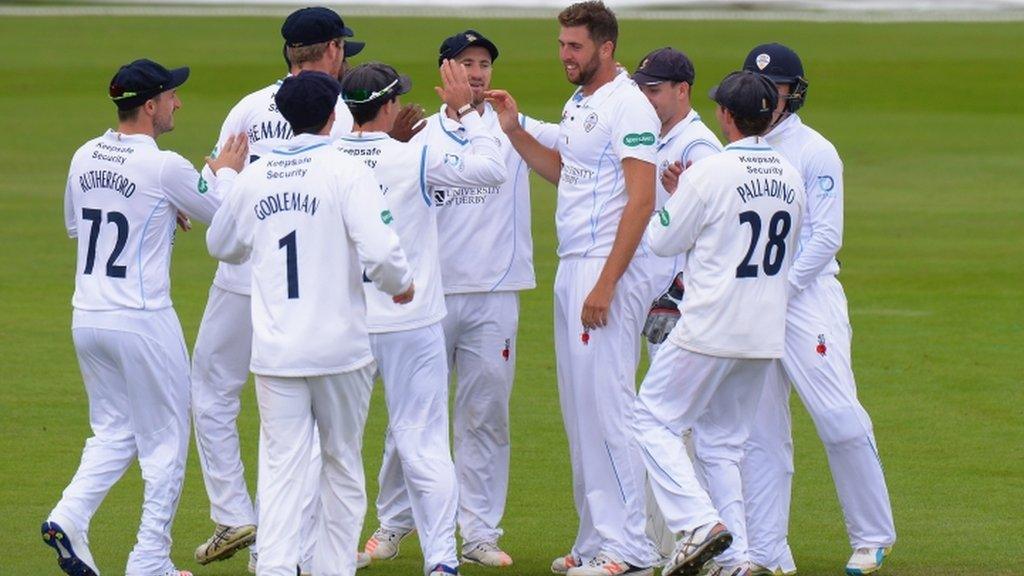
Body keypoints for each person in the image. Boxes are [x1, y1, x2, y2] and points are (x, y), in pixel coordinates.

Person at [42, 58, 246, 576]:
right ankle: (149, 560)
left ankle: (69, 515)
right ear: (151, 105)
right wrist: (221, 172)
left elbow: (78, 226)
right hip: (143, 319)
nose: (178, 102)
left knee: (113, 431)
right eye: (172, 95)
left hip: (88, 316)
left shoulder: (83, 154)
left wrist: (162, 210)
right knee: (166, 444)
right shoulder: (165, 165)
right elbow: (224, 215)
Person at [206, 70, 414, 576]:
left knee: (281, 470)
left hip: (277, 353)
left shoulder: (256, 175)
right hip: (340, 351)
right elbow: (383, 252)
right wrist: (399, 284)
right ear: (331, 115)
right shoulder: (345, 170)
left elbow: (220, 245)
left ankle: (276, 569)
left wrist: (230, 179)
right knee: (341, 464)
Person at [362, 29, 557, 568]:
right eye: (466, 63)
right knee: (412, 417)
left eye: (484, 64)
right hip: (428, 299)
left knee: (485, 415)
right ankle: (394, 523)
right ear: (445, 69)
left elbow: (571, 148)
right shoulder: (417, 133)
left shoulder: (509, 126)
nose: (477, 73)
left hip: (494, 295)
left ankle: (479, 533)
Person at [486, 2, 661, 575]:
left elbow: (642, 198)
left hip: (603, 269)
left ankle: (630, 548)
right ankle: (594, 540)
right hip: (573, 268)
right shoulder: (581, 101)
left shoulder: (629, 103)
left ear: (605, 48)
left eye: (575, 46)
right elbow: (565, 170)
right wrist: (513, 130)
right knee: (579, 411)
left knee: (609, 407)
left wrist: (607, 282)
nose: (565, 55)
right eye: (562, 44)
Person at [190, 6, 361, 570]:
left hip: (237, 276)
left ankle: (236, 511)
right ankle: (297, 547)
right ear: (331, 50)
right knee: (302, 429)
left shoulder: (247, 105)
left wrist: (223, 177)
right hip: (304, 289)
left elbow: (218, 187)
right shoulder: (336, 109)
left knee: (213, 390)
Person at [336, 59, 507, 576]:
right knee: (423, 442)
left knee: (337, 448)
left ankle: (330, 555)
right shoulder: (417, 155)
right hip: (411, 322)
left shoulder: (327, 158)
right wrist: (467, 112)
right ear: (389, 107)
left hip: (345, 324)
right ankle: (440, 561)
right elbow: (492, 168)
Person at [634, 69, 805, 576]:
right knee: (723, 445)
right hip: (764, 329)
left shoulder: (709, 173)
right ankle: (737, 559)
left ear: (726, 116)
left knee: (650, 419)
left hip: (710, 323)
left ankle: (698, 523)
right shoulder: (789, 174)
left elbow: (662, 240)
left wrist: (678, 196)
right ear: (768, 115)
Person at [737, 43, 896, 576]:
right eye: (759, 85)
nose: (767, 95)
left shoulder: (816, 150)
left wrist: (781, 287)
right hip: (753, 302)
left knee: (837, 417)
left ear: (793, 92)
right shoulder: (731, 149)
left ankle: (872, 536)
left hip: (807, 297)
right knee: (760, 431)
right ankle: (765, 551)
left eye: (776, 86)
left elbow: (825, 236)